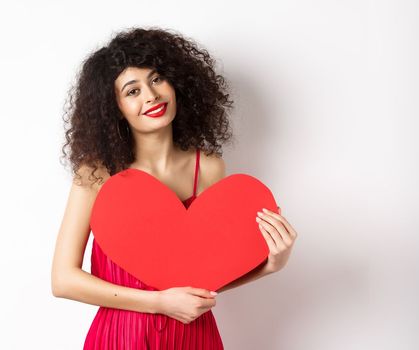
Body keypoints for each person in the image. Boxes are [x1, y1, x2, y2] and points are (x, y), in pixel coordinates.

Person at [51, 27, 298, 349]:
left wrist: (271, 265)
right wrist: (159, 303)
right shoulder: (97, 174)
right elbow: (63, 280)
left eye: (156, 79)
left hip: (193, 336)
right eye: (132, 91)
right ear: (115, 109)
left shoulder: (208, 167)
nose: (151, 96)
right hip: (120, 337)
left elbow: (206, 279)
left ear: (177, 83)